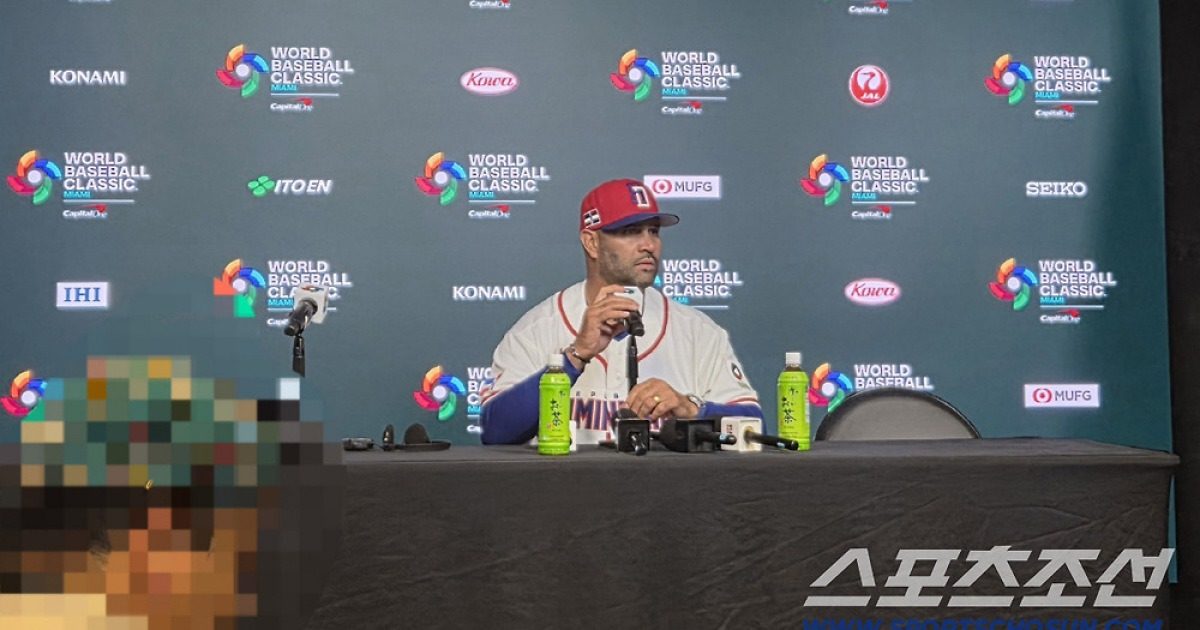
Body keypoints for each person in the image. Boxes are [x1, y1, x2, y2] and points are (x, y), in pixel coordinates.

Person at [479, 179, 762, 445]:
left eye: (654, 231)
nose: (649, 245)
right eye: (630, 232)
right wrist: (574, 357)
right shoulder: (537, 329)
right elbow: (495, 433)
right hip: (567, 493)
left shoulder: (698, 332)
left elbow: (754, 427)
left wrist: (690, 408)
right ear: (592, 243)